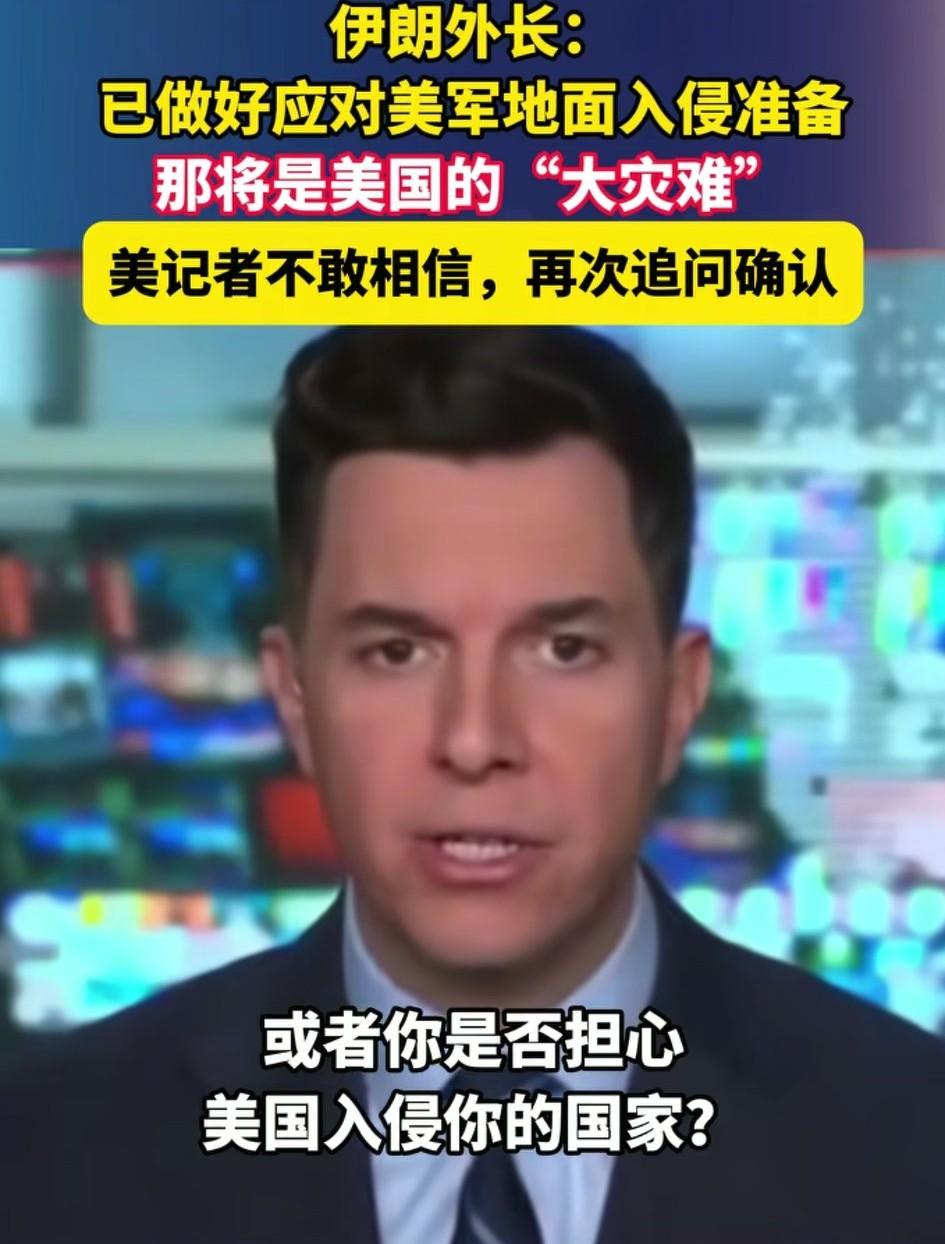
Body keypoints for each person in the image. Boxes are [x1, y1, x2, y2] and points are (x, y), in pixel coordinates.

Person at [2, 326, 944, 1244]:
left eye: (563, 649)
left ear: (675, 698)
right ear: (294, 697)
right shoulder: (49, 1155)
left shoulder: (910, 1145)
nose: (473, 740)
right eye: (397, 651)